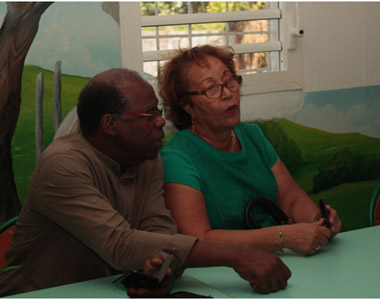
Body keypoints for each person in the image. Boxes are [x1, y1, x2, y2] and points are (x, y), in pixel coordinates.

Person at [0, 68, 291, 297]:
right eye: (149, 114)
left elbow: (158, 228)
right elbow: (121, 243)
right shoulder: (62, 164)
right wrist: (236, 255)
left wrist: (159, 272)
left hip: (112, 289)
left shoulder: (148, 157)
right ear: (110, 124)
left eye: (159, 112)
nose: (161, 122)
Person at [158, 45, 343, 256]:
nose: (227, 93)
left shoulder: (252, 135)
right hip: (224, 272)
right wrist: (283, 237)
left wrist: (317, 222)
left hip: (279, 261)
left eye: (229, 82)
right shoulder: (177, 157)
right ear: (187, 106)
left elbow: (292, 199)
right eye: (210, 89)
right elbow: (198, 240)